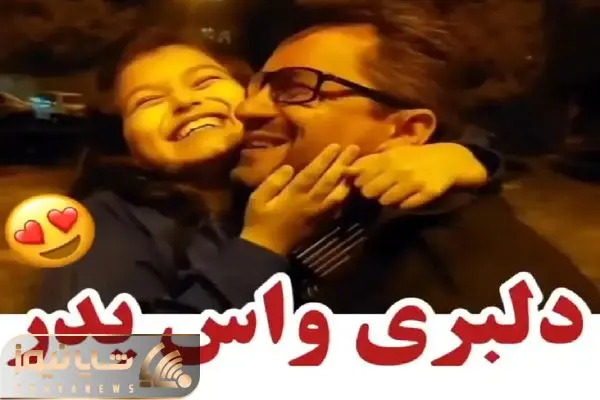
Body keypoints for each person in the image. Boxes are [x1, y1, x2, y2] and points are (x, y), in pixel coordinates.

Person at [36, 24, 498, 314]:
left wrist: (463, 157)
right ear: (126, 143)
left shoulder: (287, 183)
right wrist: (261, 246)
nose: (184, 102)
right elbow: (76, 375)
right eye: (148, 101)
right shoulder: (108, 223)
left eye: (206, 81)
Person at [231, 0, 600, 313]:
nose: (247, 109)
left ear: (406, 131)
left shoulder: (480, 301)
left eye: (297, 89)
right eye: (255, 85)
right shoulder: (293, 215)